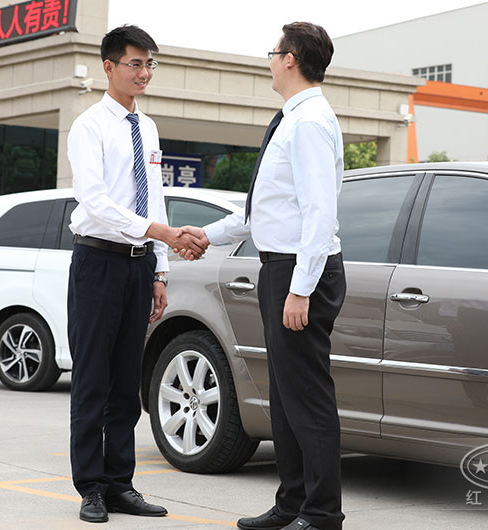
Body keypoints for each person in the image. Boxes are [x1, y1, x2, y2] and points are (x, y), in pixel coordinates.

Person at [179, 21, 346, 530]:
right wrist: (208, 235)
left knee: (307, 396)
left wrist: (301, 289)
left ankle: (320, 514)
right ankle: (291, 502)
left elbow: (319, 215)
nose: (269, 60)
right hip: (279, 266)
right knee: (285, 396)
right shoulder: (291, 120)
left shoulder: (310, 122)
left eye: (273, 52)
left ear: (290, 58)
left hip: (300, 271)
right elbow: (265, 212)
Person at [66, 24, 205, 523]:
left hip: (137, 264)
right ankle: (91, 489)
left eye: (150, 65)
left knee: (126, 383)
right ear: (109, 67)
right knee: (92, 382)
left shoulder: (146, 127)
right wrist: (162, 233)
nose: (144, 73)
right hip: (97, 263)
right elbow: (96, 203)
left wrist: (160, 268)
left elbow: (156, 194)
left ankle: (121, 484)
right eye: (135, 63)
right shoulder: (89, 126)